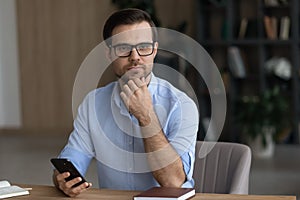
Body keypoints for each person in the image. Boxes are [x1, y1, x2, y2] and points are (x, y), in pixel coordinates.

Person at [52, 8, 199, 197]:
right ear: (109, 54)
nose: (135, 57)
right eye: (123, 48)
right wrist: (62, 179)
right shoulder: (93, 104)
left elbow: (174, 183)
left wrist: (146, 117)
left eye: (144, 47)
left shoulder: (181, 106)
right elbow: (70, 162)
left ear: (154, 50)